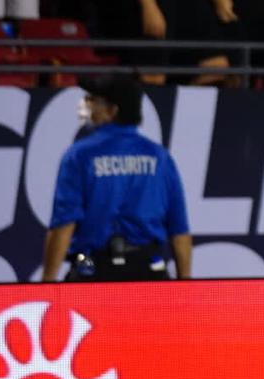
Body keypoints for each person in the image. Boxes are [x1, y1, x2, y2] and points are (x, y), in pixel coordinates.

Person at [42, 75, 192, 282]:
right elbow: (179, 230)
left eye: (93, 100)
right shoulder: (160, 157)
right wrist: (186, 284)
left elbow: (64, 225)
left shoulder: (79, 156)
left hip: (92, 269)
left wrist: (47, 283)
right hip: (149, 269)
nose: (86, 105)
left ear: (113, 111)